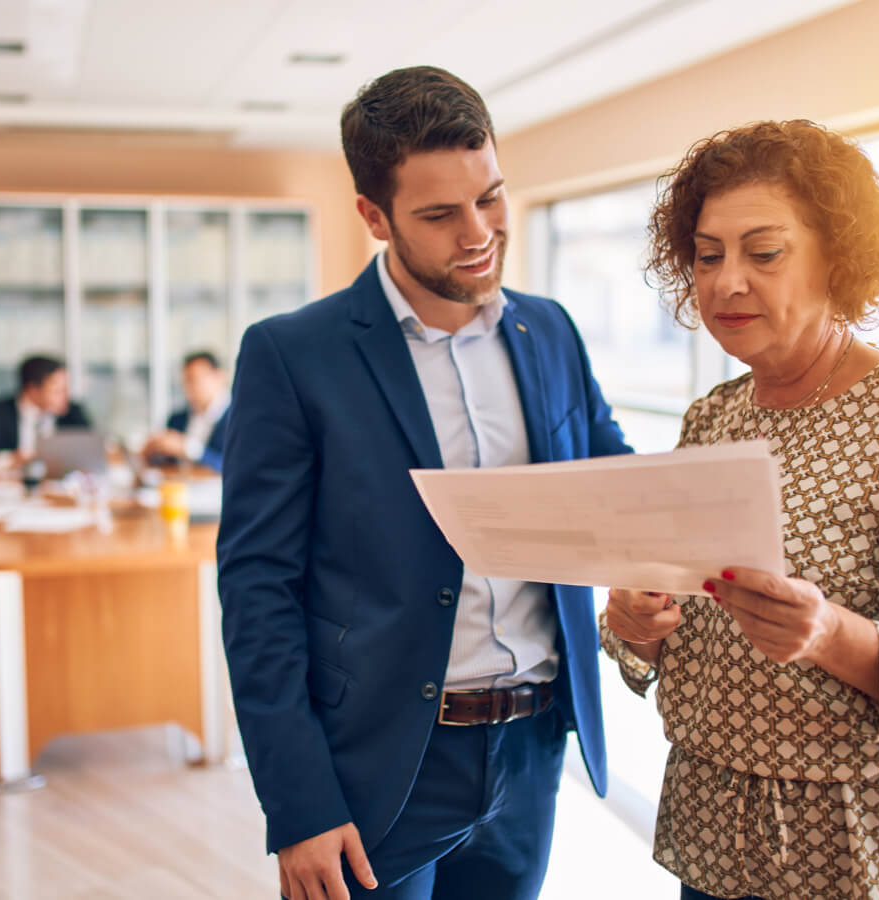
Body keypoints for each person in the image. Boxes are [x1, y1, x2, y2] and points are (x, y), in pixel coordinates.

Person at [217, 66, 631, 900]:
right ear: (375, 216)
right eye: (440, 214)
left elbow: (608, 476)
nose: (478, 232)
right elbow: (258, 589)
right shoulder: (295, 354)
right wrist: (298, 804)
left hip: (532, 743)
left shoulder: (548, 329)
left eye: (491, 197)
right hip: (379, 758)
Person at [600, 120, 879, 900]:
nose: (727, 282)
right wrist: (634, 625)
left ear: (839, 257)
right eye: (707, 254)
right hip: (720, 835)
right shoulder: (712, 420)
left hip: (873, 845)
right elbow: (677, 629)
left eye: (764, 254)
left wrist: (832, 635)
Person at [0, 354, 91, 478]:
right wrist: (10, 459)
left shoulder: (73, 412)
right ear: (33, 390)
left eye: (66, 389)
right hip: (10, 491)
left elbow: (91, 454)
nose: (66, 396)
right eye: (58, 391)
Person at [143, 350, 230, 471]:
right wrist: (152, 452)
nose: (189, 388)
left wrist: (188, 448)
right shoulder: (177, 419)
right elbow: (164, 465)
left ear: (220, 377)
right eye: (185, 381)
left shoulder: (239, 419)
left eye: (194, 379)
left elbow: (232, 466)